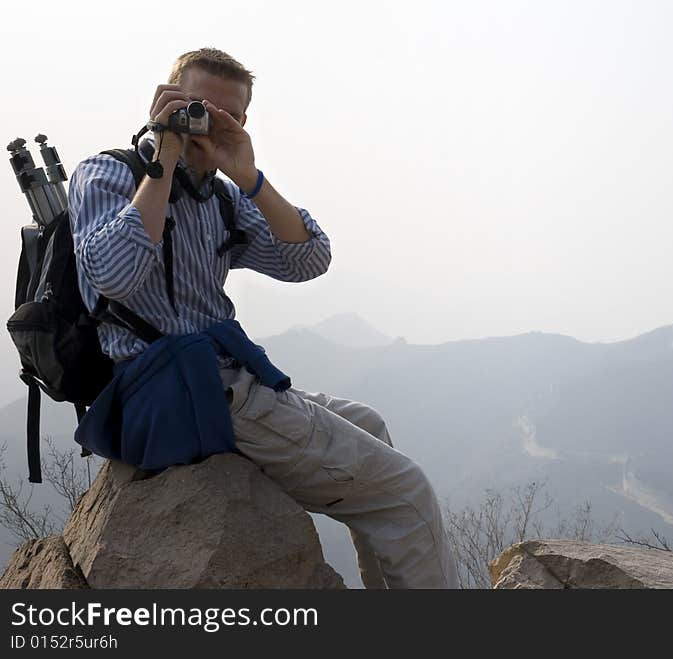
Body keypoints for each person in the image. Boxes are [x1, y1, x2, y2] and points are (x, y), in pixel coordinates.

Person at [67, 47, 459, 589]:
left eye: (225, 113)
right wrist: (162, 155)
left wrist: (249, 176)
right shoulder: (109, 174)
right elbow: (113, 276)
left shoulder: (222, 197)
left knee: (371, 424)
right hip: (174, 390)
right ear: (167, 100)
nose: (207, 121)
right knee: (408, 491)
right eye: (195, 105)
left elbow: (309, 259)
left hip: (225, 377)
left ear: (242, 121)